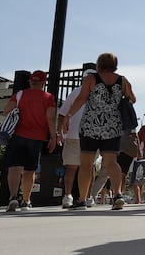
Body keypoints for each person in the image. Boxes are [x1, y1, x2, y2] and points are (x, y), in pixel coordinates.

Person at [61, 52, 136, 211]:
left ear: (99, 63)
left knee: (86, 164)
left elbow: (81, 99)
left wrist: (68, 115)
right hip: (112, 127)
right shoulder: (122, 80)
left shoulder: (91, 79)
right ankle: (118, 194)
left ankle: (82, 199)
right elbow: (133, 99)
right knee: (111, 162)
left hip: (90, 126)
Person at [3, 70, 57, 211]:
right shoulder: (48, 97)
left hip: (18, 135)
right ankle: (26, 201)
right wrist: (53, 137)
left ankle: (13, 197)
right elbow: (50, 118)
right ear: (44, 82)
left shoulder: (20, 94)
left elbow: (7, 110)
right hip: (36, 138)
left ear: (30, 81)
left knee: (14, 168)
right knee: (29, 170)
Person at [57, 67, 94, 208]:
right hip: (92, 136)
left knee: (71, 168)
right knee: (89, 167)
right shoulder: (99, 93)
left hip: (73, 134)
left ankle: (68, 196)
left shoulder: (75, 92)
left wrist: (60, 132)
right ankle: (88, 197)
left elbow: (62, 114)